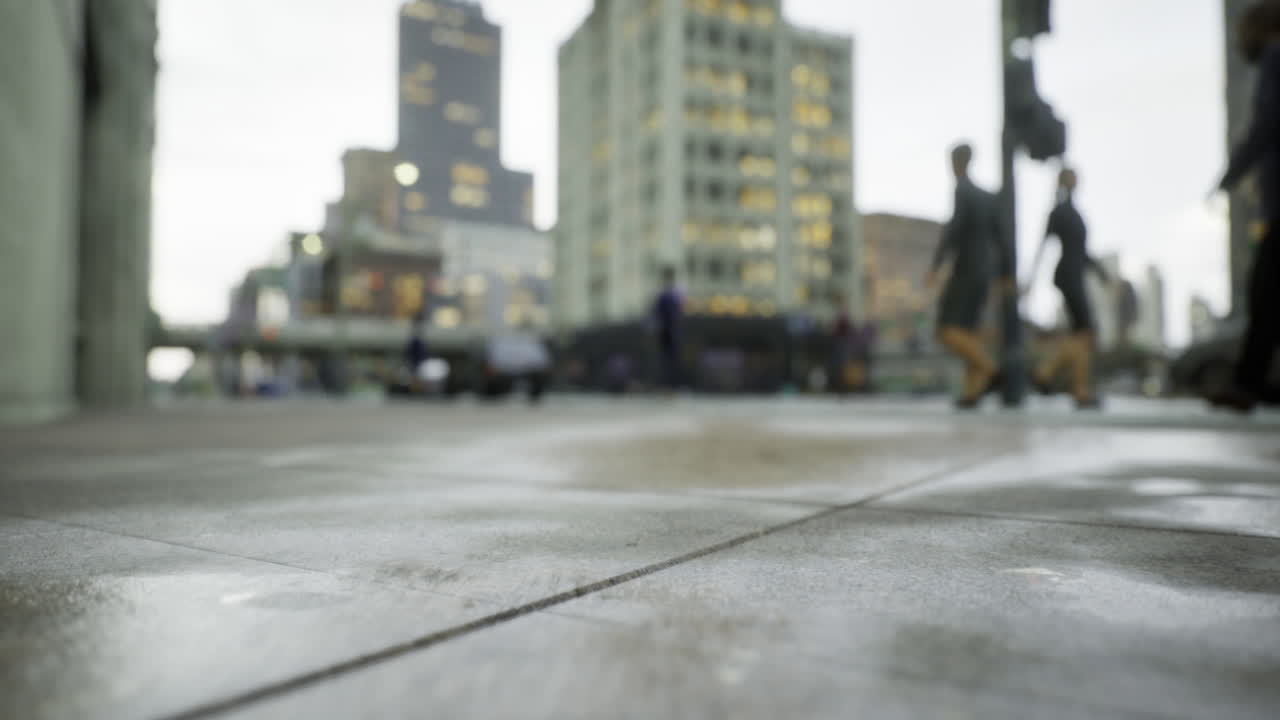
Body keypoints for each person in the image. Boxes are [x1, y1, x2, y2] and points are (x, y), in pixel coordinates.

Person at [1211, 1, 1280, 413]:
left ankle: (1248, 383)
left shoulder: (1275, 58)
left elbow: (1266, 124)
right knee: (1267, 292)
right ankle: (1252, 382)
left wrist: (1231, 174)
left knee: (1265, 290)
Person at [927, 143, 1014, 408]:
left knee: (946, 329)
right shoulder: (988, 197)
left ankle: (991, 370)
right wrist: (1006, 273)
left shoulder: (962, 190)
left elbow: (954, 229)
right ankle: (971, 392)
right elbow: (1002, 238)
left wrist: (936, 265)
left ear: (956, 162)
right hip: (985, 272)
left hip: (966, 269)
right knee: (969, 330)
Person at [1025, 168, 1109, 409]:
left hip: (1075, 275)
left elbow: (1082, 252)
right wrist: (1030, 280)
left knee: (1081, 334)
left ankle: (1046, 373)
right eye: (1072, 179)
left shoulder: (1073, 212)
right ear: (1065, 182)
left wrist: (1102, 273)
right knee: (1086, 333)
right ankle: (1077, 389)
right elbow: (1044, 245)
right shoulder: (1059, 211)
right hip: (1068, 276)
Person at [652, 266, 683, 393]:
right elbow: (658, 313)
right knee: (667, 360)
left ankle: (671, 386)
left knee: (671, 360)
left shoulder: (673, 293)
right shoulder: (666, 294)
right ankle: (668, 386)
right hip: (666, 332)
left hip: (670, 331)